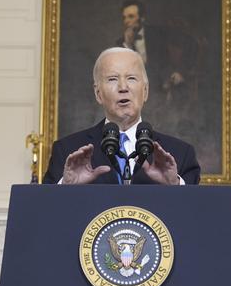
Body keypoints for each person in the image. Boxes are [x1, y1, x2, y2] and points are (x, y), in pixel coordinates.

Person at [43, 47, 200, 185]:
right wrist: (65, 188)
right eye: (112, 79)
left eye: (131, 78)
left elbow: (196, 212)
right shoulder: (67, 151)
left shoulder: (181, 154)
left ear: (145, 91)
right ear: (98, 94)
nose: (123, 87)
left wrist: (175, 185)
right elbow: (45, 210)